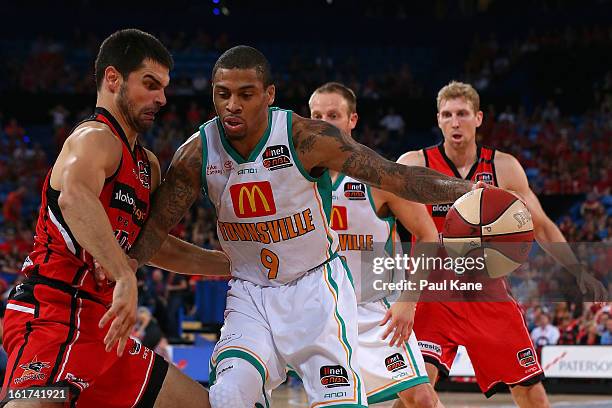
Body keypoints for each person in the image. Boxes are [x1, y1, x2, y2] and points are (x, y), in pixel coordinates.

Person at [129, 46, 481, 408]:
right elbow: (152, 235)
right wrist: (123, 276)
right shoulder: (198, 154)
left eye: (245, 94)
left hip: (316, 290)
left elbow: (399, 177)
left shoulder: (305, 139)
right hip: (251, 292)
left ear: (269, 96)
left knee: (388, 399)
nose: (233, 104)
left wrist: (465, 190)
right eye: (223, 94)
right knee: (231, 396)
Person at [1, 29, 229, 408]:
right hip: (54, 315)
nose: (162, 98)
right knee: (34, 402)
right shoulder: (93, 138)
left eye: (164, 88)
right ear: (113, 79)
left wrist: (231, 264)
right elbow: (74, 198)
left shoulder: (146, 165)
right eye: (150, 84)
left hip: (106, 330)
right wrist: (124, 273)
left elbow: (152, 243)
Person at [399, 81, 606, 407]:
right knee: (417, 395)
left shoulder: (504, 168)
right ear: (438, 119)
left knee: (533, 397)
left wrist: (577, 269)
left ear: (478, 118)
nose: (456, 122)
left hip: (488, 294)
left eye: (463, 114)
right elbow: (380, 207)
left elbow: (541, 225)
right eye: (448, 115)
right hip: (432, 295)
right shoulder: (414, 163)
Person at [309, 82, 442, 408]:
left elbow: (428, 236)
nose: (325, 122)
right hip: (321, 314)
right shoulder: (296, 177)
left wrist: (407, 302)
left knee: (421, 398)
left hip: (375, 310)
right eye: (316, 115)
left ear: (353, 120)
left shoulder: (381, 176)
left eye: (334, 115)